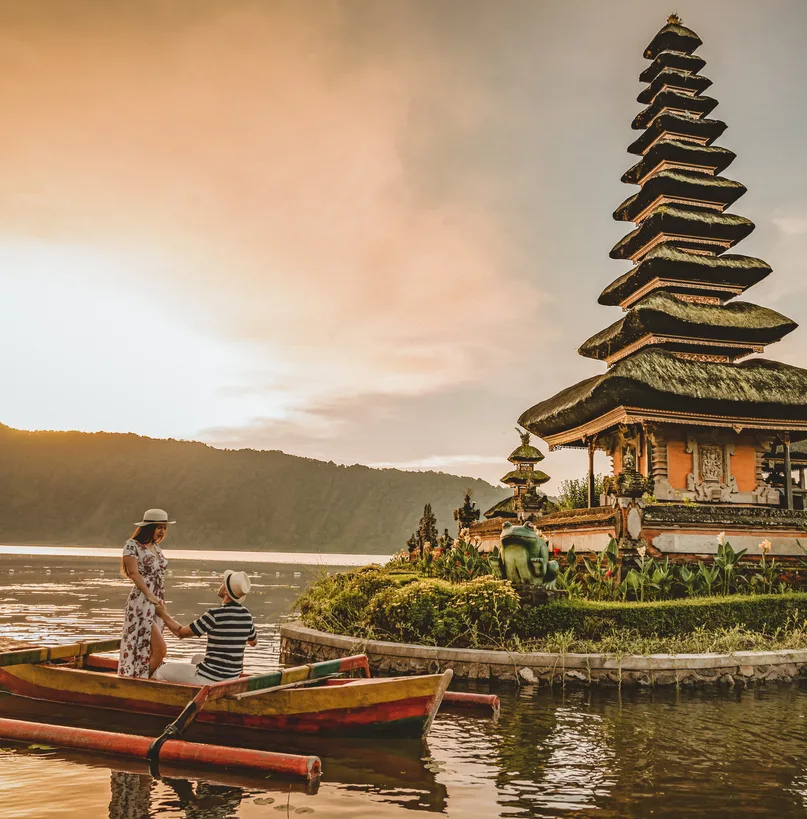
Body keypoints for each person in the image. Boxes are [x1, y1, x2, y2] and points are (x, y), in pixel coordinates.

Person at [153, 570, 257, 684]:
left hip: (211, 679)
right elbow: (253, 642)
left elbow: (181, 633)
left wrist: (163, 614)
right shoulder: (247, 615)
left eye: (223, 583)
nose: (220, 585)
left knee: (162, 670)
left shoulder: (215, 615)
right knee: (197, 658)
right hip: (232, 677)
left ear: (226, 591)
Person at [119, 508, 174, 678]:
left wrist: (159, 601)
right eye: (158, 527)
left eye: (164, 527)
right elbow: (134, 573)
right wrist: (150, 596)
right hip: (141, 602)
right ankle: (140, 680)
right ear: (148, 528)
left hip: (157, 601)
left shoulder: (156, 548)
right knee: (160, 649)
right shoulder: (132, 546)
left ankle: (145, 678)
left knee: (150, 648)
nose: (162, 531)